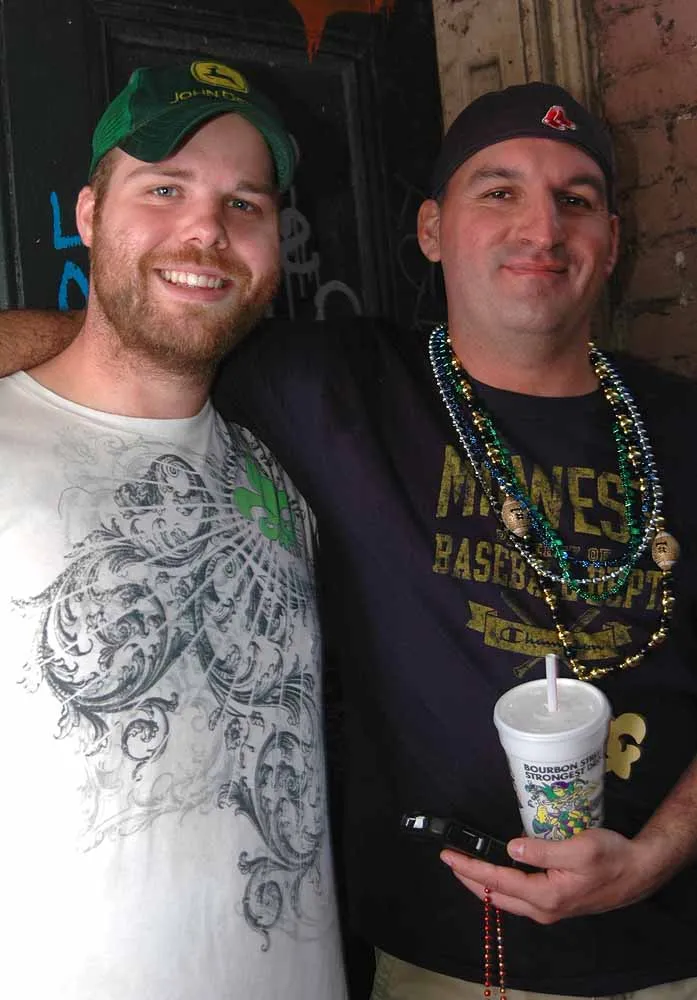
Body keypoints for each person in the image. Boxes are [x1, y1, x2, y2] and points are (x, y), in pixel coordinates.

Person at [3, 81, 697, 999]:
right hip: (437, 966)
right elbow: (148, 333)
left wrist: (656, 854)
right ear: (430, 229)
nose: (541, 227)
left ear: (609, 238)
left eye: (574, 199)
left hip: (674, 949)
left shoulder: (680, 424)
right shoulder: (329, 385)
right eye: (498, 191)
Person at [0, 61, 347, 999]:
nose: (206, 231)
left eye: (245, 204)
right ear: (88, 213)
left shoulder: (283, 477)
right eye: (164, 189)